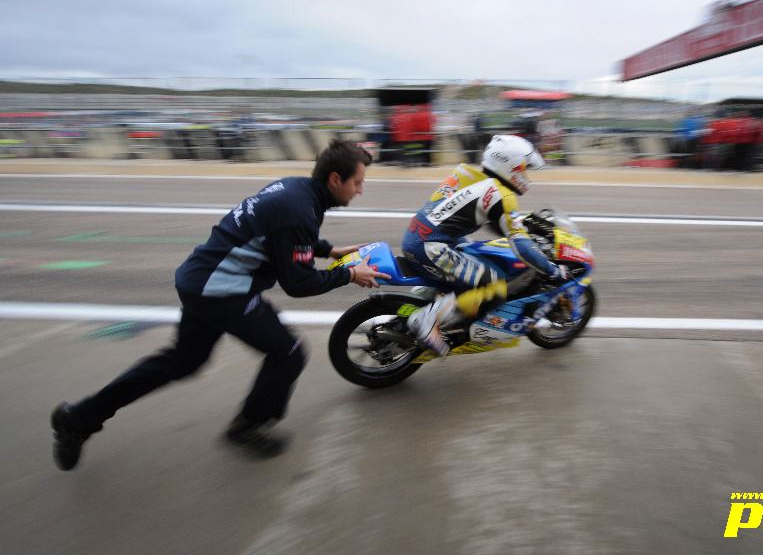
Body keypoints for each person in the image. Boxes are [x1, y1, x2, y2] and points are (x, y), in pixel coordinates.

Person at [50, 140, 389, 469]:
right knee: (289, 353)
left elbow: (285, 236)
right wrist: (348, 275)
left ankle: (78, 419)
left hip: (199, 279)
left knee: (183, 361)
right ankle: (249, 426)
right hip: (222, 290)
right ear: (335, 179)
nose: (359, 190)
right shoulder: (299, 210)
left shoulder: (295, 190)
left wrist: (328, 251)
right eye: (357, 182)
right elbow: (298, 283)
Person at [403, 134, 568, 356]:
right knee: (495, 283)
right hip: (432, 247)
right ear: (513, 166)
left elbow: (492, 219)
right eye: (524, 169)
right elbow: (521, 247)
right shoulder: (501, 194)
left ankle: (431, 297)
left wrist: (517, 228)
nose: (526, 175)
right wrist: (552, 269)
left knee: (473, 251)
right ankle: (427, 320)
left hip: (417, 236)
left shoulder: (466, 173)